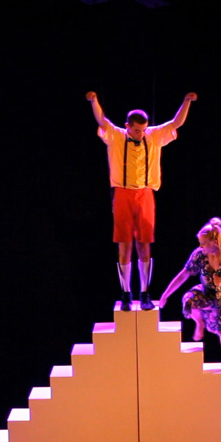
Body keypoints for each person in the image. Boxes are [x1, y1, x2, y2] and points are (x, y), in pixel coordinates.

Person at [86, 90, 198, 311]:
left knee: (144, 244)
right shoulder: (117, 136)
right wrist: (94, 101)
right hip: (122, 193)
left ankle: (145, 292)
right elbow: (101, 120)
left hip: (145, 193)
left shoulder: (152, 136)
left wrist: (186, 101)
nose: (140, 134)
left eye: (143, 130)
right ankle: (126, 293)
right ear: (127, 126)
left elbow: (176, 123)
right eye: (137, 130)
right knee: (125, 244)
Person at [158, 218, 221, 392]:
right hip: (207, 291)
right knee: (189, 299)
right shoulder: (200, 255)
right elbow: (184, 274)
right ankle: (200, 323)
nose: (201, 247)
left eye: (204, 244)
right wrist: (166, 294)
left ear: (215, 242)